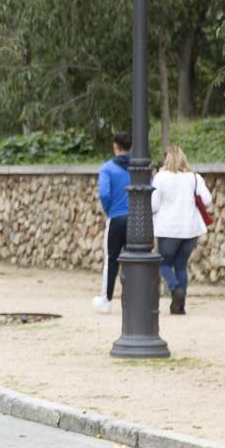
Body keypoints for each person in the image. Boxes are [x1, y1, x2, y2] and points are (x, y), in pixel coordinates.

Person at [152, 146, 212, 315]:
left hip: (168, 230)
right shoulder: (194, 177)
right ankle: (180, 305)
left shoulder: (161, 177)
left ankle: (175, 288)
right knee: (180, 265)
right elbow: (207, 200)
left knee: (163, 263)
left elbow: (153, 205)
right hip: (190, 230)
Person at [93, 133, 132, 313]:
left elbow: (104, 194)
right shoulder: (140, 166)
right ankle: (134, 299)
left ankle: (107, 299)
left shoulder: (107, 168)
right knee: (135, 260)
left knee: (112, 260)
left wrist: (110, 211)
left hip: (116, 219)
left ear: (115, 146)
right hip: (136, 220)